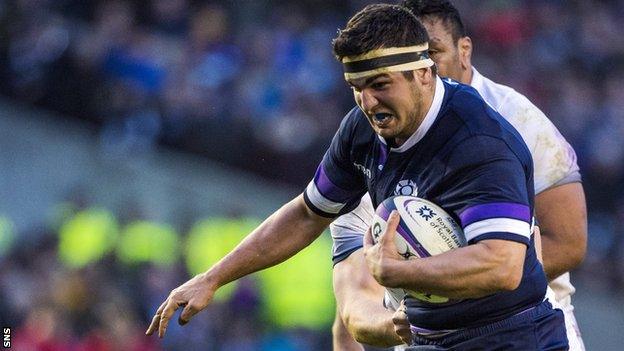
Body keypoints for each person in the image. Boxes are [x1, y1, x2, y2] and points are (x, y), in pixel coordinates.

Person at [146, 4, 567, 349]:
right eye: (357, 86)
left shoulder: (478, 141)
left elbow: (502, 265)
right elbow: (308, 214)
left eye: (380, 84)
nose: (367, 101)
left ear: (423, 72)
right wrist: (213, 278)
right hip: (430, 339)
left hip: (512, 338)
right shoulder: (362, 131)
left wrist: (398, 273)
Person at [331, 1, 587, 350]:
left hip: (528, 325)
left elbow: (569, 241)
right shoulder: (366, 148)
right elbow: (353, 302)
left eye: (433, 52)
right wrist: (406, 312)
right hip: (425, 334)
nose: (426, 66)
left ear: (463, 50)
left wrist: (467, 283)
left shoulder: (514, 120)